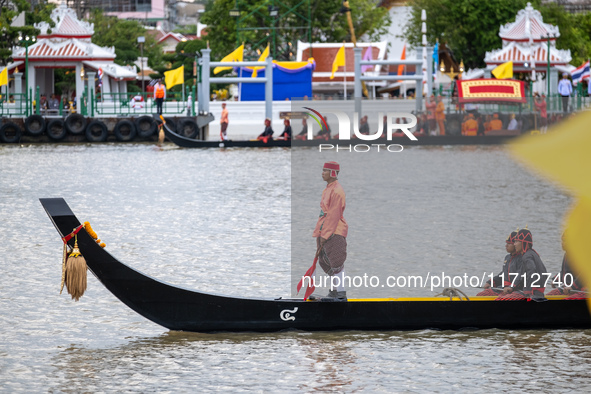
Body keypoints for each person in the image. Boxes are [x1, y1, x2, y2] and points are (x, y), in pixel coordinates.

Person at [310, 161, 348, 301]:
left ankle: (341, 294)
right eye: (322, 170)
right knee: (325, 261)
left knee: (336, 262)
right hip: (324, 230)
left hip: (335, 231)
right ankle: (333, 292)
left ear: (333, 173)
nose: (322, 173)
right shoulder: (327, 189)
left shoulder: (337, 190)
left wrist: (325, 235)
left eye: (325, 170)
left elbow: (334, 215)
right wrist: (320, 233)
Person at [498, 229, 547, 300]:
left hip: (533, 293)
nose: (514, 244)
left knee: (499, 300)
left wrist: (528, 291)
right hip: (533, 292)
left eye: (517, 241)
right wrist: (512, 287)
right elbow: (521, 274)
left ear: (524, 243)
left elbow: (532, 270)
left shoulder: (527, 256)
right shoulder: (531, 254)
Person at [477, 231, 522, 296]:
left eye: (509, 243)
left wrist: (511, 287)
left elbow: (520, 277)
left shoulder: (522, 259)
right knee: (481, 295)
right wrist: (491, 282)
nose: (506, 246)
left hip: (515, 289)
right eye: (506, 243)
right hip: (503, 288)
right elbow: (503, 274)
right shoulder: (507, 257)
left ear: (515, 244)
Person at [547, 230, 586, 296]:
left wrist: (572, 287)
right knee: (548, 296)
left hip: (578, 290)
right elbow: (564, 272)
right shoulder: (567, 254)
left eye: (565, 241)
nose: (562, 243)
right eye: (562, 241)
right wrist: (555, 280)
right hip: (566, 288)